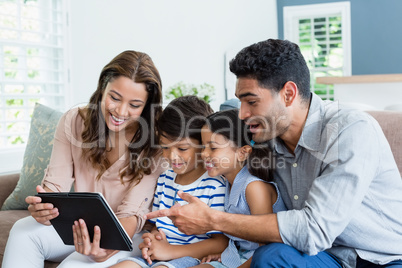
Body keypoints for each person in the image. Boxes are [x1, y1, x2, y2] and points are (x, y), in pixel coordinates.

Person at [146, 39, 402, 268]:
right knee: (272, 257)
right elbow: (220, 137)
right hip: (327, 256)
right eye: (240, 101)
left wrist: (213, 220)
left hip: (381, 258)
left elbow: (314, 230)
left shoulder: (350, 131)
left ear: (288, 94)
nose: (242, 113)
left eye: (252, 101)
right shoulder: (264, 138)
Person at [2, 50, 165, 268]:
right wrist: (43, 209)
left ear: (146, 106)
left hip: (127, 236)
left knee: (74, 265)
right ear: (102, 88)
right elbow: (54, 187)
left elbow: (132, 215)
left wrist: (104, 250)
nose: (121, 111)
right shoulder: (74, 121)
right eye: (114, 98)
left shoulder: (155, 141)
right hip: (80, 225)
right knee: (23, 231)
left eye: (134, 105)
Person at [111, 95, 228, 268]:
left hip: (189, 257)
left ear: (204, 145)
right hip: (158, 254)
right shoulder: (165, 179)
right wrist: (153, 237)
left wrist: (170, 251)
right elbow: (159, 226)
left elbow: (220, 242)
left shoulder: (215, 184)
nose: (171, 156)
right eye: (165, 147)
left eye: (182, 148)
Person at [191, 109, 286, 268]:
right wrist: (227, 255)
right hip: (239, 257)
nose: (204, 154)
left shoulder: (254, 188)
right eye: (203, 147)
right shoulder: (227, 182)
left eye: (213, 148)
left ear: (243, 153)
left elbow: (266, 249)